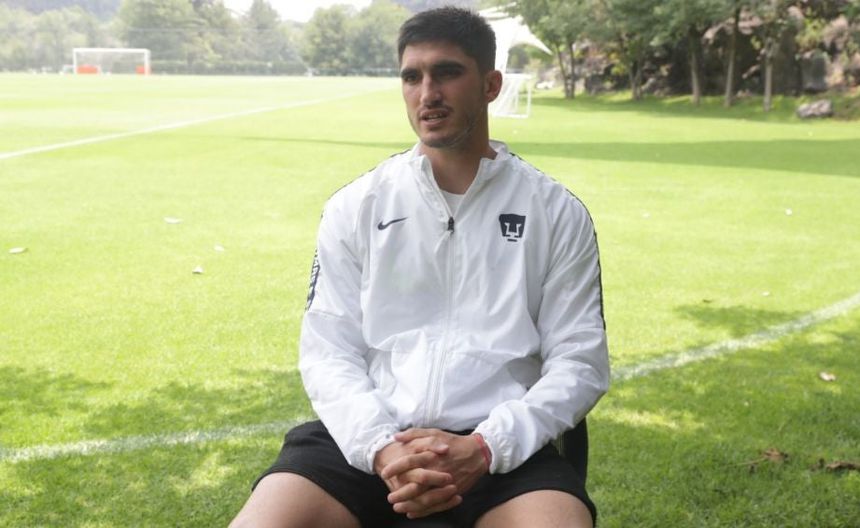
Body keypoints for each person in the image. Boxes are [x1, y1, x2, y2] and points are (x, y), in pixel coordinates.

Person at [230, 7, 609, 528]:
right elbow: (328, 350)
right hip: (368, 441)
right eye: (412, 76)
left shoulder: (556, 213)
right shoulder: (356, 206)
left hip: (500, 451)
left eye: (447, 73)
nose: (428, 93)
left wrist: (486, 446)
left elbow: (580, 362)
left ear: (491, 85)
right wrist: (383, 449)